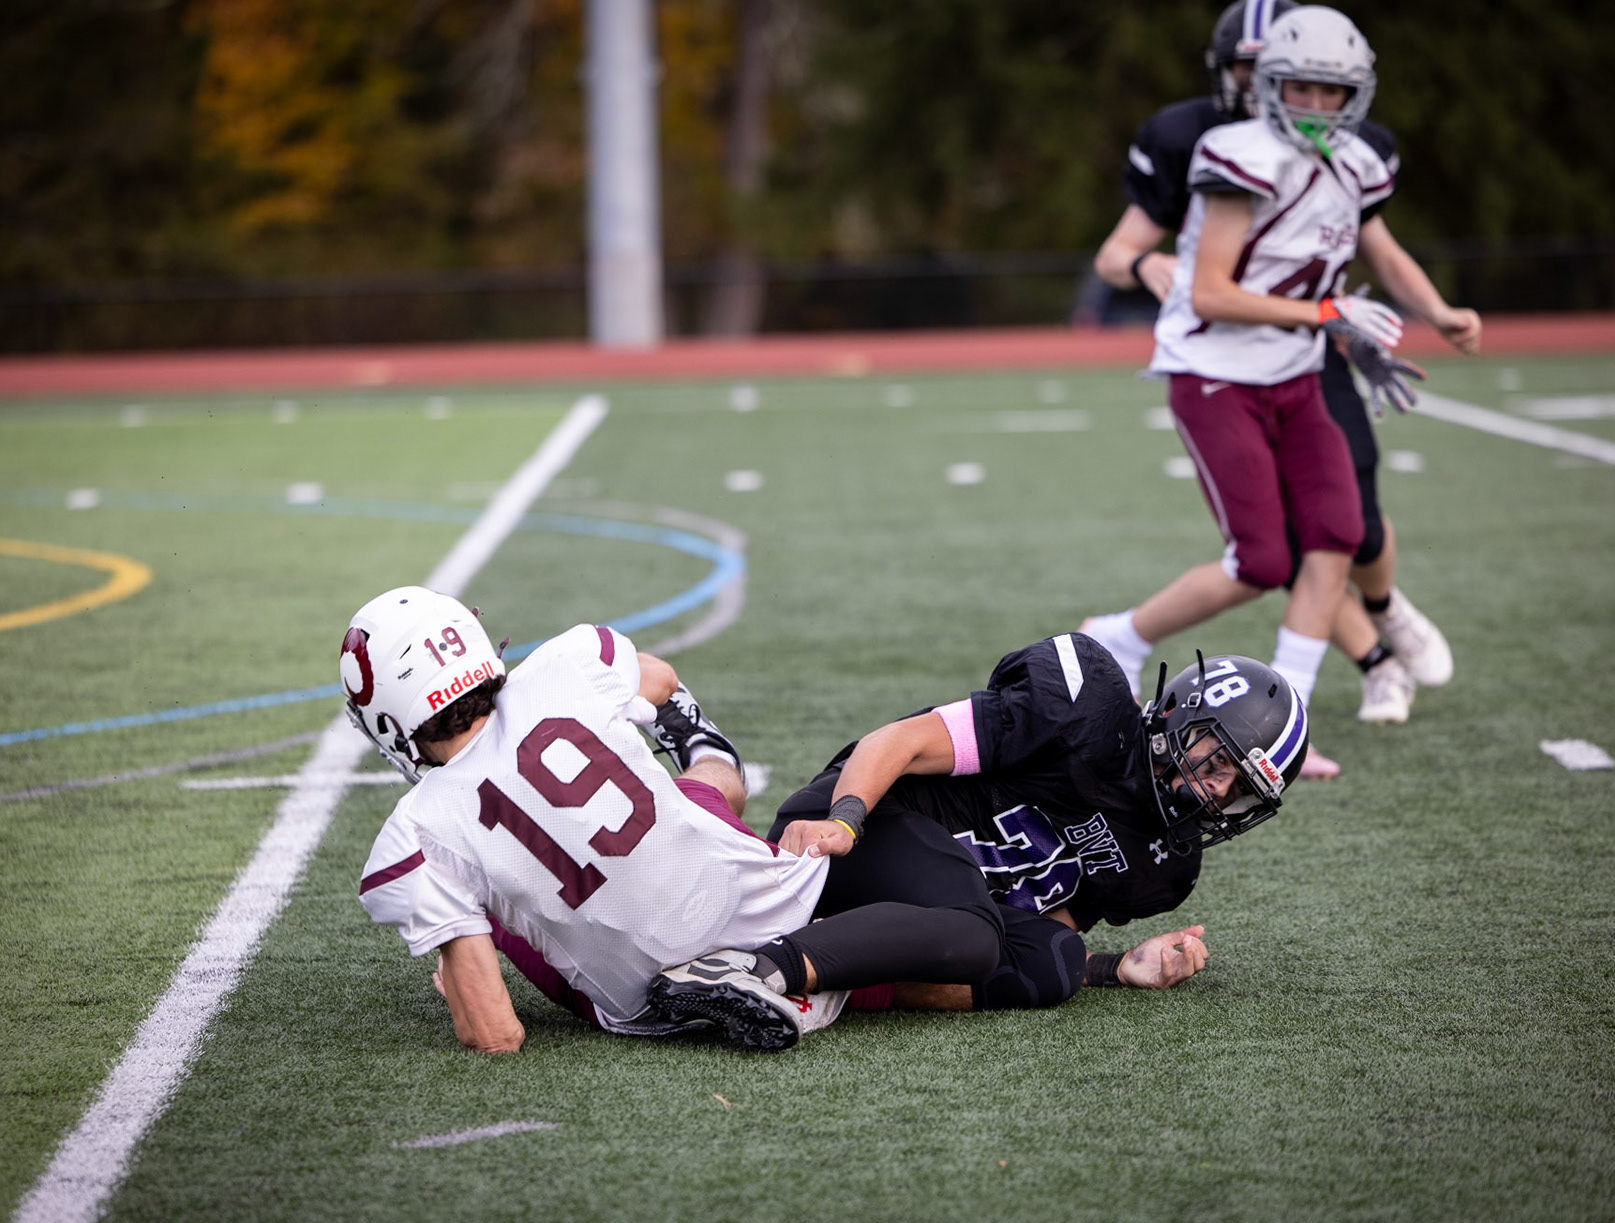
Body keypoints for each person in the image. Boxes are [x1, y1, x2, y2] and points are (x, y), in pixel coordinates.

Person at [345, 586, 1003, 1053]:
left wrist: (462, 970)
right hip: (758, 898)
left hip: (641, 1003)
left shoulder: (418, 829)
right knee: (703, 796)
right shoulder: (566, 664)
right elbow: (658, 679)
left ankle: (779, 977)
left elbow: (496, 1035)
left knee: (482, 894)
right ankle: (713, 758)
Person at [1083, 1, 1481, 768]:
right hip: (1218, 374)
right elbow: (1211, 293)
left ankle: (1286, 729)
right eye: (1301, 88)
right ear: (1269, 85)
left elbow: (1383, 250)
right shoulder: (1235, 155)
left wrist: (1435, 310)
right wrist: (1330, 314)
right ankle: (1118, 636)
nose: (1318, 106)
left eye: (1333, 92)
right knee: (1263, 561)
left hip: (1295, 374)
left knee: (1337, 532)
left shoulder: (1363, 161)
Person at [768, 632, 1308, 1012]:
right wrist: (844, 821)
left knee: (1054, 962)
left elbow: (1041, 928)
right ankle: (769, 971)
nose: (1216, 790)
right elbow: (901, 741)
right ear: (1180, 716)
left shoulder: (1167, 867)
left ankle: (834, 987)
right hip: (857, 830)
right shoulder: (1087, 710)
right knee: (975, 931)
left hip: (931, 914)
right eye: (1218, 763)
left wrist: (1115, 967)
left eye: (1238, 790)